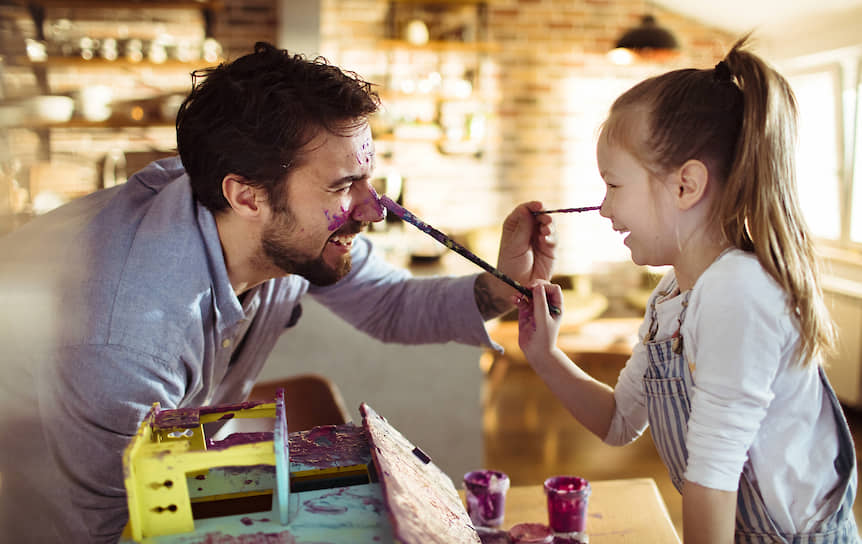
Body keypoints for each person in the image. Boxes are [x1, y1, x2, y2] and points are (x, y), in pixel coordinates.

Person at [0, 42, 556, 543]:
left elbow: (389, 303)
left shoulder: (276, 227)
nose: (373, 210)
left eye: (366, 180)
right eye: (342, 186)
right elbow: (122, 528)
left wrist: (500, 285)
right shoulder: (125, 338)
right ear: (246, 197)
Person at [516, 36, 859, 543]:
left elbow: (712, 484)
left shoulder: (737, 291)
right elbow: (617, 421)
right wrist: (544, 354)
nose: (606, 209)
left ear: (685, 186)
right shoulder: (672, 294)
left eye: (613, 186)